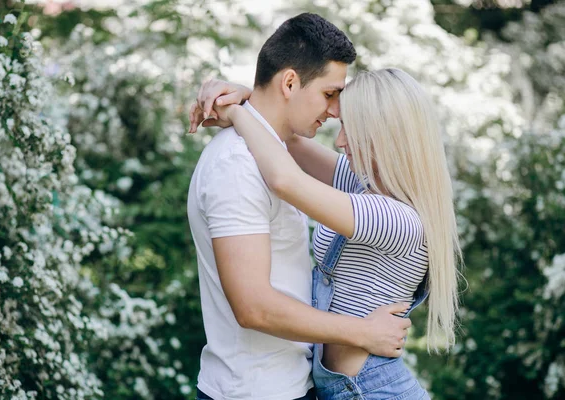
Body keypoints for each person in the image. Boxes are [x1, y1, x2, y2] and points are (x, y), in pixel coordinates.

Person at [191, 68, 462, 399]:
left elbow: (285, 179)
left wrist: (234, 110)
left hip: (370, 392)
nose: (339, 141)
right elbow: (286, 140)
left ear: (387, 136)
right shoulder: (367, 184)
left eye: (353, 130)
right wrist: (246, 95)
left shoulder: (396, 219)